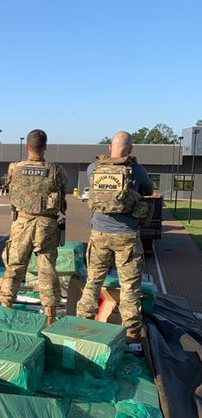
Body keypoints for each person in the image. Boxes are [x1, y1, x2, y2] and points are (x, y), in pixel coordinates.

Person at [77, 130, 153, 351]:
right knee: (129, 287)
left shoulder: (94, 168)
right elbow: (148, 190)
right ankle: (131, 336)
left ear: (110, 147)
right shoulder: (137, 171)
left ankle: (82, 325)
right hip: (127, 236)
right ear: (130, 149)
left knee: (93, 281)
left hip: (99, 235)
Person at [0, 129, 67, 326]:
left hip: (21, 223)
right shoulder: (56, 170)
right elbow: (62, 194)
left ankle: (5, 308)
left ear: (27, 147)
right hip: (46, 225)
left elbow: (11, 189)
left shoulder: (14, 168)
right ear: (45, 147)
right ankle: (50, 315)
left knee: (14, 267)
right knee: (47, 269)